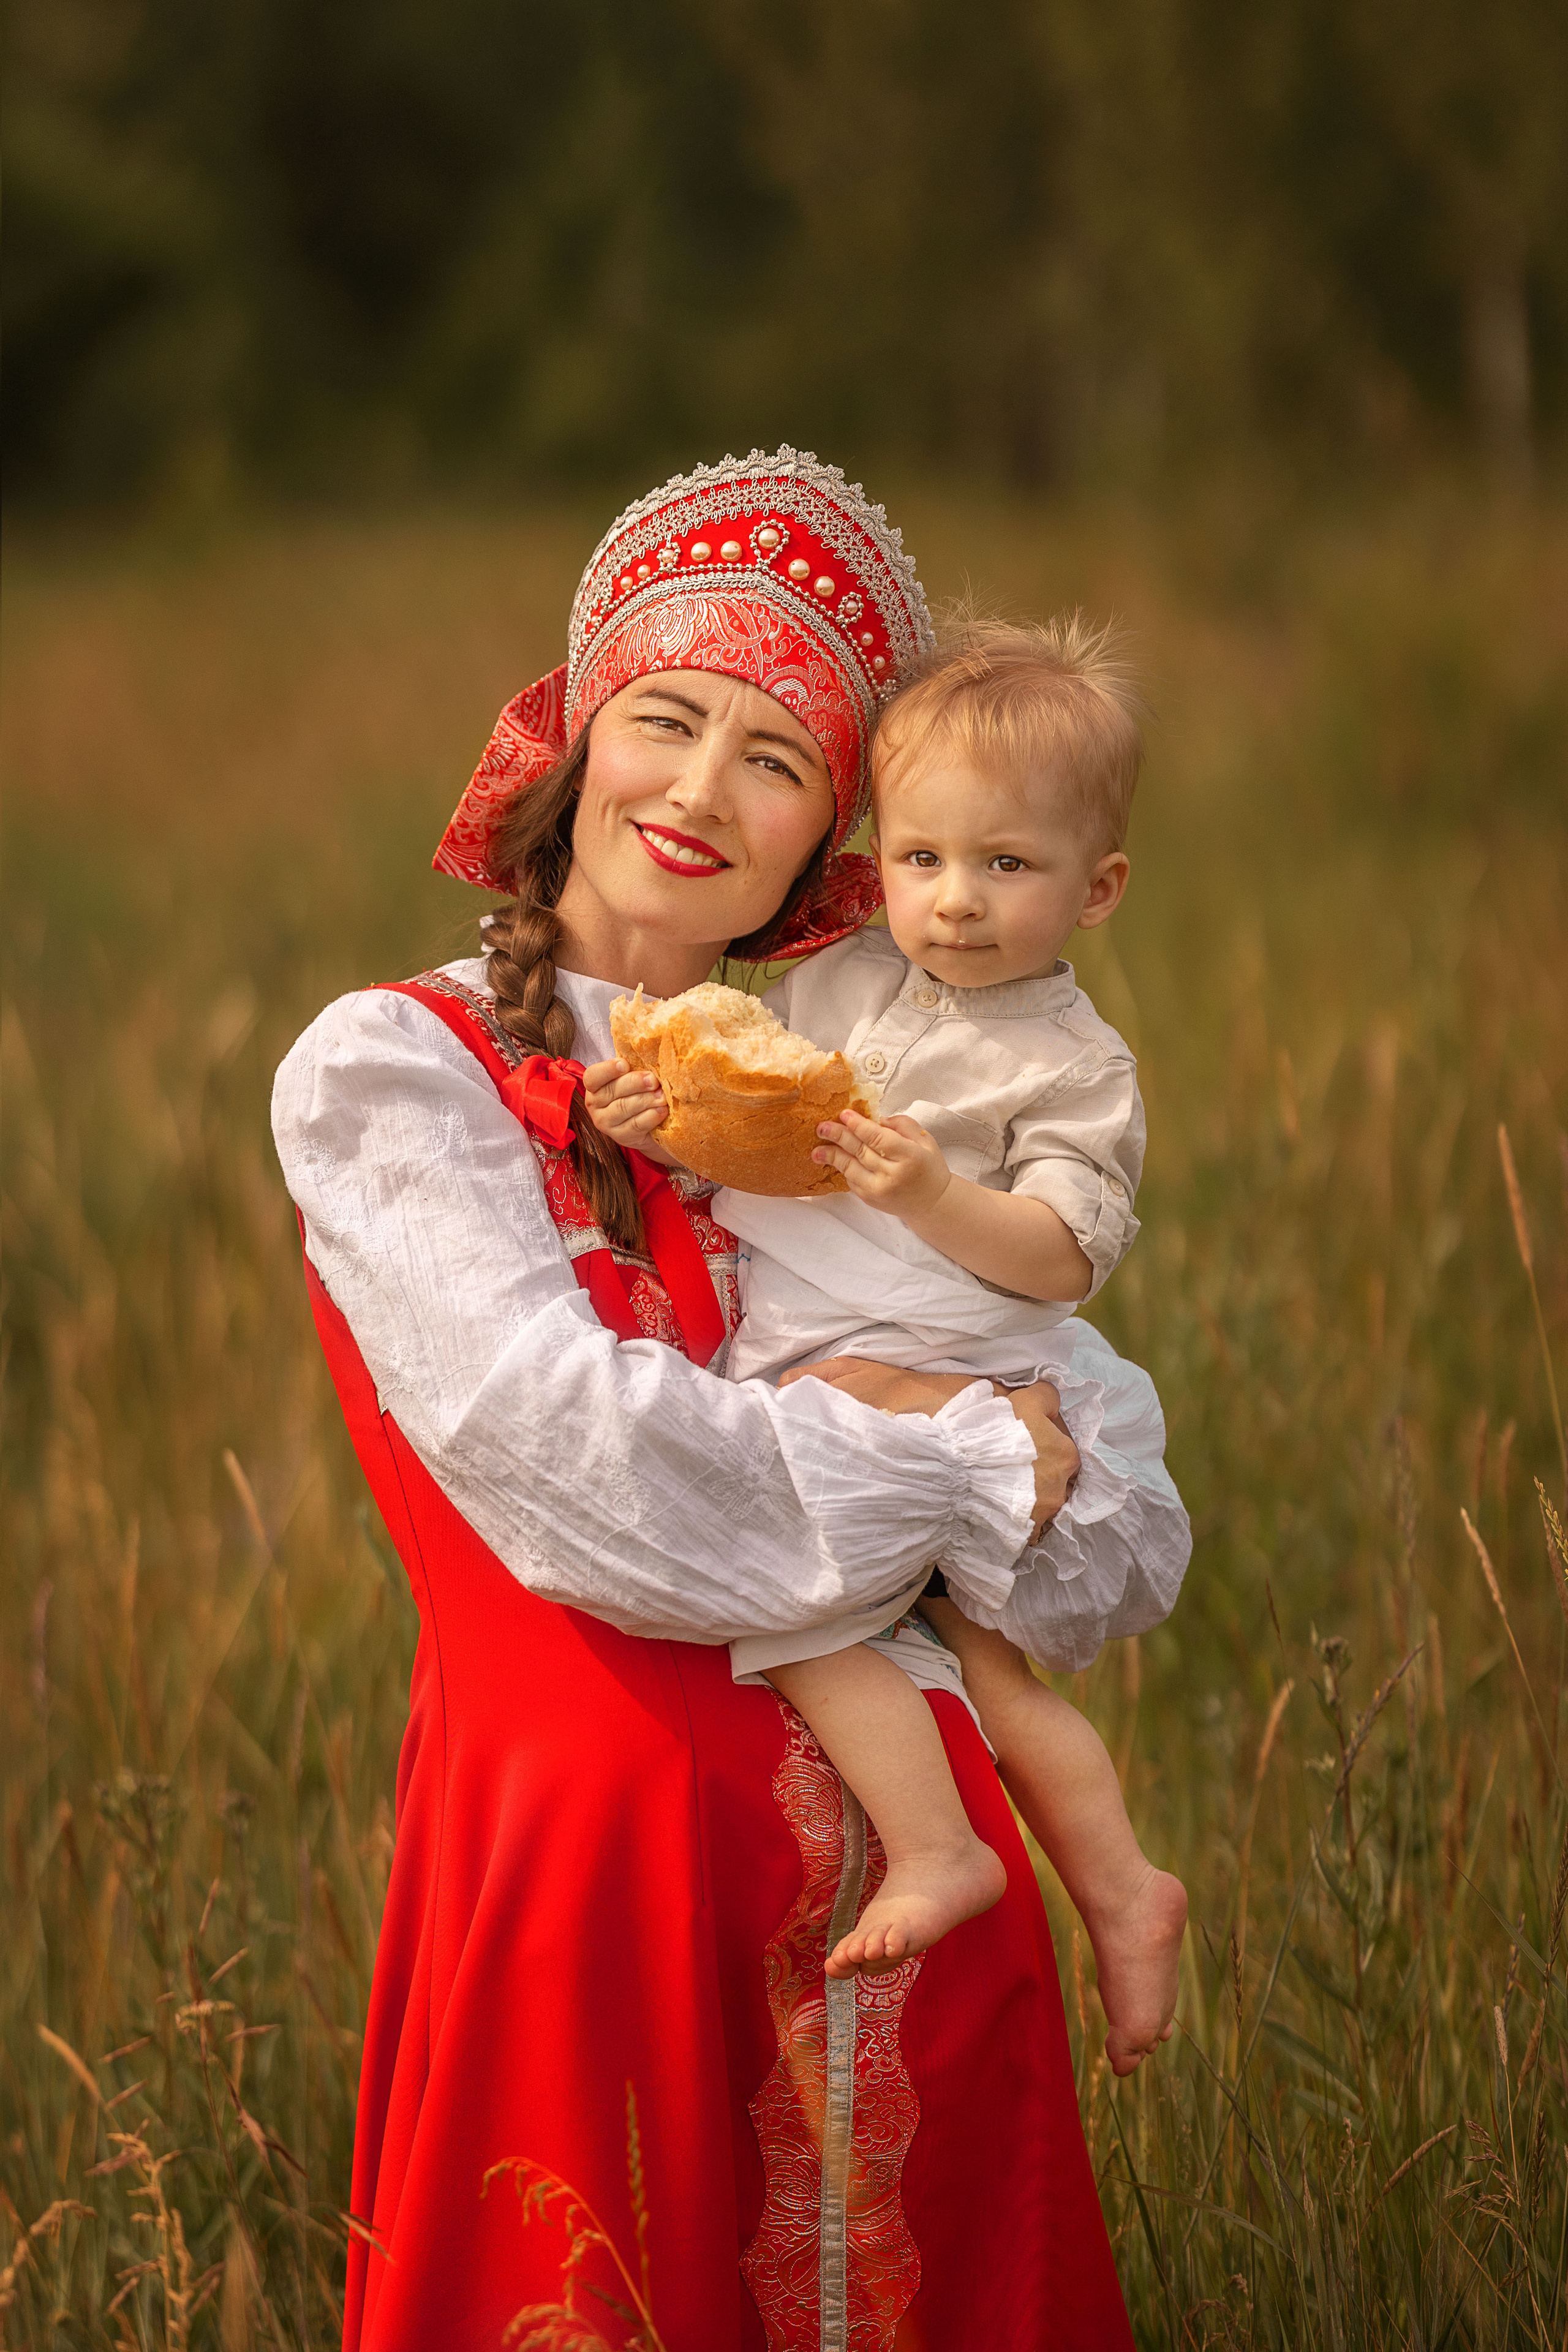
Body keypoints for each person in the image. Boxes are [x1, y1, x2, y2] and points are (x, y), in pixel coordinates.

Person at [273, 447, 1188, 2352]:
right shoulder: (403, 1070)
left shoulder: (833, 1085)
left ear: (824, 843)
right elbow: (591, 1470)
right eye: (666, 719)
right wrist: (954, 1462)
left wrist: (1003, 1453)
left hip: (922, 1939)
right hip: (586, 1906)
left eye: (775, 757)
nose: (702, 788)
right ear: (572, 744)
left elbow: (1097, 1518)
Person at [587, 617, 1188, 2073]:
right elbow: (769, 1124)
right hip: (818, 1346)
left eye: (1007, 866)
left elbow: (1065, 1252)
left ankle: (1049, 1872)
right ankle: (1096, 1882)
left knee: (878, 1638)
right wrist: (662, 1116)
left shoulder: (1068, 1062)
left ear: (1095, 887)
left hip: (958, 1370)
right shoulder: (844, 979)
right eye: (922, 861)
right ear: (876, 860)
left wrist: (931, 1189)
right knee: (861, 1640)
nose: (957, 904)